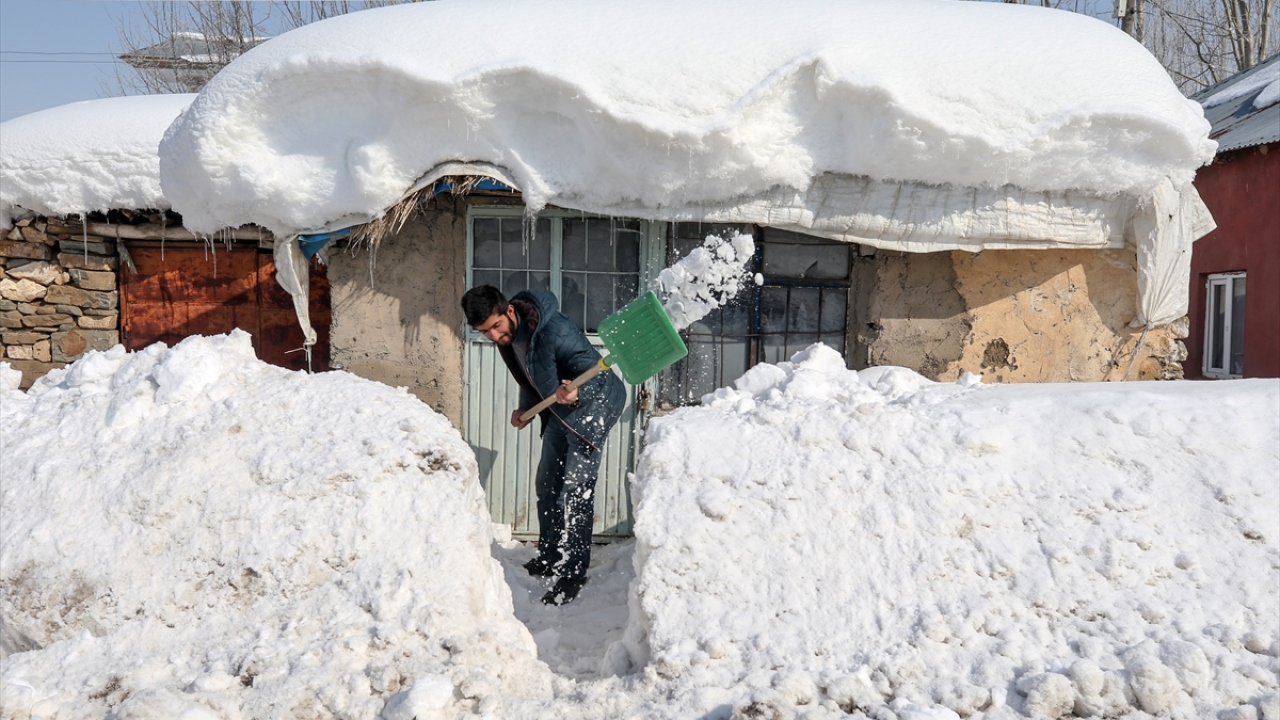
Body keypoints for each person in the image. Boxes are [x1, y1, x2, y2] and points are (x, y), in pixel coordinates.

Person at [461, 285, 625, 605]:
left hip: (597, 404)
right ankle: (549, 555)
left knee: (576, 489)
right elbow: (533, 377)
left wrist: (579, 394)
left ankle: (573, 572)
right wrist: (525, 409)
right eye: (485, 332)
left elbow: (599, 379)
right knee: (547, 484)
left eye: (495, 326)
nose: (493, 336)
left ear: (509, 311)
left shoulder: (556, 332)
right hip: (560, 410)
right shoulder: (510, 339)